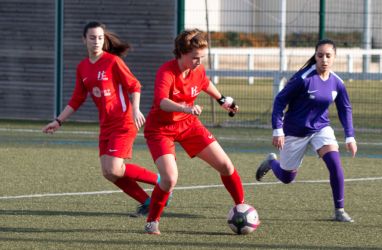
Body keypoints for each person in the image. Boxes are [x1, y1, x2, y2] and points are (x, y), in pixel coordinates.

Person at [42, 21, 160, 217]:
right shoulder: (83, 67)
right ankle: (147, 201)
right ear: (84, 40)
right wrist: (58, 121)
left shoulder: (113, 61)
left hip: (123, 122)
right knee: (109, 173)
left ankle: (162, 181)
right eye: (92, 38)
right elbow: (77, 99)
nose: (96, 41)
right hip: (106, 125)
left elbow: (135, 85)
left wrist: (136, 110)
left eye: (99, 37)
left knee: (115, 167)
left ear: (103, 39)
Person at [143, 28, 246, 234]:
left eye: (202, 57)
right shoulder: (166, 71)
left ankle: (241, 207)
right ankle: (152, 221)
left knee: (226, 165)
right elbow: (161, 102)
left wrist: (222, 100)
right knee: (170, 178)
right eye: (195, 58)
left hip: (189, 125)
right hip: (161, 130)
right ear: (181, 54)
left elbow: (205, 82)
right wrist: (185, 108)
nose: (200, 62)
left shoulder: (197, 70)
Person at [255, 39, 357, 222]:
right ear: (315, 56)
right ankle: (272, 162)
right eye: (320, 55)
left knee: (335, 165)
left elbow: (345, 109)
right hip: (294, 131)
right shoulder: (303, 79)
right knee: (287, 177)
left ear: (334, 57)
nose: (324, 59)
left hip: (321, 128)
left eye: (328, 56)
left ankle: (339, 210)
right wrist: (278, 130)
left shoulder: (337, 83)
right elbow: (280, 101)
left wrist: (350, 136)